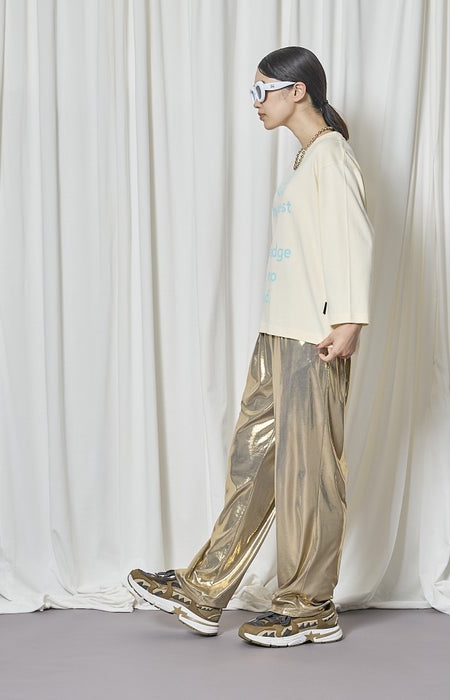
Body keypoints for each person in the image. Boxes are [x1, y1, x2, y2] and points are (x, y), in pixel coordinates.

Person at [127, 46, 373, 648]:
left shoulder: (331, 156)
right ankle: (205, 588)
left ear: (297, 91)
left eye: (264, 90)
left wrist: (350, 321)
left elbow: (353, 237)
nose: (255, 102)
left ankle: (309, 606)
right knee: (251, 463)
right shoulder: (304, 159)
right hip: (277, 332)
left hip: (314, 337)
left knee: (309, 476)